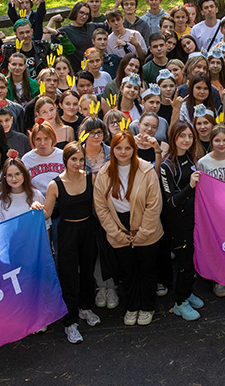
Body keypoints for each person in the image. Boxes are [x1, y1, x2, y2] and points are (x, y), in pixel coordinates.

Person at [93, 131, 164, 326]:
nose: (123, 152)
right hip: (119, 226)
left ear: (134, 149)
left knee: (147, 269)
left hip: (145, 226)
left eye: (127, 148)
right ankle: (132, 306)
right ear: (112, 149)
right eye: (118, 148)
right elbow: (101, 207)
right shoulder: (104, 172)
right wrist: (115, 233)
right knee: (128, 271)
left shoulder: (146, 170)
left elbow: (154, 203)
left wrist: (144, 232)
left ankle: (147, 306)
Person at [43, 144, 98, 342]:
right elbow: (47, 213)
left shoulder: (90, 178)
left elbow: (97, 206)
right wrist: (35, 207)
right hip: (67, 232)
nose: (78, 163)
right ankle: (70, 322)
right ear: (65, 160)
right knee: (68, 276)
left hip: (88, 229)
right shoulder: (55, 185)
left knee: (87, 272)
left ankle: (86, 307)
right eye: (73, 159)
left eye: (81, 159)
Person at [158, 121, 207, 320]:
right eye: (182, 136)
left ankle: (187, 291)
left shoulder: (190, 156)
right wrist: (190, 186)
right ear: (173, 138)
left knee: (192, 259)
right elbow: (171, 201)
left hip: (194, 217)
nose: (187, 140)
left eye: (190, 136)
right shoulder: (166, 165)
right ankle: (180, 302)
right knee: (184, 262)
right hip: (178, 222)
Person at [0, 155, 46, 223]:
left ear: (24, 174)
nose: (14, 179)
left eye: (17, 174)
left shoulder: (36, 195)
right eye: (9, 175)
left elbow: (45, 223)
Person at [21, 122, 66, 197]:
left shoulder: (63, 155)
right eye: (38, 139)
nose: (42, 143)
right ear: (33, 140)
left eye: (46, 138)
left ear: (52, 138)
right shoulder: (27, 159)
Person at [59, 1, 107, 71]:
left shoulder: (91, 26)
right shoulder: (65, 31)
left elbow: (109, 23)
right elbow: (46, 39)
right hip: (75, 70)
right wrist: (52, 20)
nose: (84, 16)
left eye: (87, 14)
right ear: (75, 12)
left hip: (94, 69)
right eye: (81, 13)